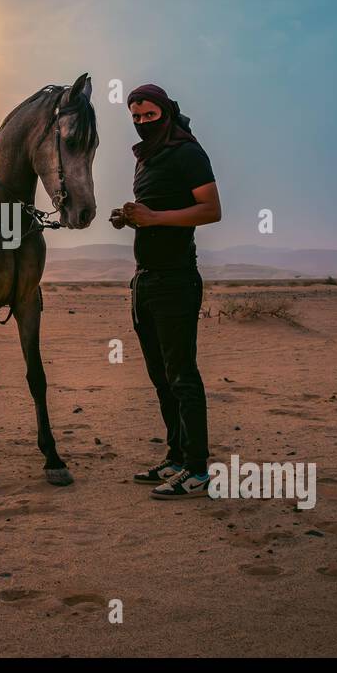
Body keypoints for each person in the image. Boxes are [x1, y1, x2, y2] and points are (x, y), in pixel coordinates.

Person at [110, 83, 221, 500]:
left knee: (183, 376)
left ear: (167, 113)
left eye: (149, 117)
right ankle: (176, 457)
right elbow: (153, 213)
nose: (141, 124)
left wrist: (154, 217)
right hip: (146, 279)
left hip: (176, 279)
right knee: (161, 377)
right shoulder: (147, 159)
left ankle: (197, 469)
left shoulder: (188, 152)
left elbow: (211, 209)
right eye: (135, 118)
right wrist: (131, 217)